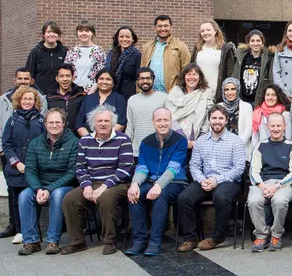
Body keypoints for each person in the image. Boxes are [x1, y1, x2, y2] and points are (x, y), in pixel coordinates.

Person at [60, 104, 132, 255]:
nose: (103, 124)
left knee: (106, 198)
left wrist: (104, 186)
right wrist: (86, 186)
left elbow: (125, 169)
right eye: (99, 121)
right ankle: (77, 242)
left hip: (117, 184)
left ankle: (109, 241)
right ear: (93, 123)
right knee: (70, 199)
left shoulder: (123, 139)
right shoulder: (85, 141)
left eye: (106, 121)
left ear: (112, 122)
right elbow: (80, 167)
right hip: (91, 183)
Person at [176, 106, 247, 252]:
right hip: (204, 179)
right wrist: (202, 180)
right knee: (184, 198)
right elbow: (194, 165)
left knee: (221, 196)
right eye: (214, 118)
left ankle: (218, 236)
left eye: (221, 118)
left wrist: (217, 180)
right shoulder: (201, 141)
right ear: (209, 120)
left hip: (228, 181)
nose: (217, 121)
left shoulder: (235, 141)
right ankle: (191, 238)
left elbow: (239, 168)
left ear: (226, 120)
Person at [125, 108, 188, 256]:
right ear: (153, 122)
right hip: (152, 180)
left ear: (170, 121)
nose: (162, 123)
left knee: (161, 196)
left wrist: (159, 185)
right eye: (159, 120)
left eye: (166, 120)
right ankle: (139, 241)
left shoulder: (180, 141)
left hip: (176, 182)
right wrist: (135, 184)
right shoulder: (146, 142)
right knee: (135, 195)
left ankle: (155, 242)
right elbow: (142, 167)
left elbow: (174, 168)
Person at [16, 109, 78, 255]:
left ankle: (53, 241)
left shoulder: (75, 142)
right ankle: (31, 241)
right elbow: (30, 170)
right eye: (51, 122)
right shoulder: (35, 143)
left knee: (56, 195)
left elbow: (72, 173)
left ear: (64, 123)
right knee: (24, 196)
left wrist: (49, 189)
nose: (54, 125)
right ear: (45, 124)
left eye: (58, 122)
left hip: (65, 186)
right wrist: (38, 189)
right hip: (40, 185)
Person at [248, 113, 292, 252]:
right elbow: (253, 171)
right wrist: (262, 185)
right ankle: (261, 235)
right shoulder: (260, 146)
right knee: (253, 200)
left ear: (284, 126)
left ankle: (276, 235)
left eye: (279, 125)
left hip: (284, 184)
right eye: (273, 126)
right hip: (263, 183)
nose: (276, 129)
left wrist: (277, 187)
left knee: (279, 200)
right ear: (267, 127)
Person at [2, 87, 46, 245]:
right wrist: (17, 162)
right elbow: (6, 144)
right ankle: (20, 230)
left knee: (34, 198)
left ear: (35, 102)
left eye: (31, 99)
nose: (28, 102)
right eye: (24, 99)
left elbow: (45, 143)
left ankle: (32, 229)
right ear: (19, 101)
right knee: (16, 199)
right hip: (16, 168)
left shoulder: (41, 120)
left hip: (36, 168)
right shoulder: (12, 120)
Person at [140, 15, 192, 94]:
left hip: (172, 94)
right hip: (150, 94)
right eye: (159, 26)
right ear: (155, 28)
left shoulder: (181, 46)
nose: (163, 29)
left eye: (166, 26)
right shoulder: (147, 47)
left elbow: (187, 71)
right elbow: (142, 71)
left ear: (171, 27)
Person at [165, 64, 213, 145]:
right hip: (176, 139)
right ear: (184, 77)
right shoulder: (175, 92)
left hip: (199, 141)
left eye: (194, 74)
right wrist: (182, 138)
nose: (191, 77)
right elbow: (169, 115)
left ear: (200, 77)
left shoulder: (205, 93)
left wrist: (201, 137)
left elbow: (209, 116)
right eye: (189, 74)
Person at [126, 68, 168, 156]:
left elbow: (169, 125)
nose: (145, 81)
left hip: (159, 150)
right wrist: (127, 148)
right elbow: (130, 127)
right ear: (137, 81)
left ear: (153, 80)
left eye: (148, 78)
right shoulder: (132, 100)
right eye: (141, 78)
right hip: (137, 151)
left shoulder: (164, 98)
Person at [190, 20, 235, 100]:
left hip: (218, 94)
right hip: (199, 93)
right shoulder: (197, 49)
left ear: (215, 31)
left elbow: (230, 73)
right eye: (202, 31)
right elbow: (191, 69)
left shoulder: (226, 49)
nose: (205, 33)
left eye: (208, 30)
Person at [76, 70, 127, 136]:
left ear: (113, 83)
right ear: (97, 81)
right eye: (101, 79)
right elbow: (79, 124)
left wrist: (105, 138)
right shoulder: (88, 98)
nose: (104, 82)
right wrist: (90, 139)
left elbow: (121, 123)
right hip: (89, 141)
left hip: (111, 140)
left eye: (108, 79)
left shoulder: (119, 98)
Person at [64, 20, 107, 94]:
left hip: (93, 93)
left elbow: (100, 74)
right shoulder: (71, 52)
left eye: (87, 31)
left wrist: (90, 93)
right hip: (73, 93)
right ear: (77, 33)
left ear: (92, 33)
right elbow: (67, 73)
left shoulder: (99, 51)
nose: (83, 33)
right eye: (80, 31)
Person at [231, 30, 273, 104]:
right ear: (249, 43)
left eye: (258, 41)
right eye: (252, 41)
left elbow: (271, 80)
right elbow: (235, 76)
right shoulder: (241, 57)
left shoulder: (268, 58)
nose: (255, 43)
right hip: (242, 99)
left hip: (259, 100)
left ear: (262, 43)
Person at [26, 21, 68, 95]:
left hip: (59, 95)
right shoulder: (36, 51)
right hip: (39, 94)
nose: (51, 34)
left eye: (54, 32)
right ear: (43, 34)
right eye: (48, 32)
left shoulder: (64, 51)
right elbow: (29, 73)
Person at [217, 77, 254, 157]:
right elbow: (213, 129)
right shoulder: (219, 107)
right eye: (226, 89)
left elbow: (249, 130)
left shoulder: (247, 106)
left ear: (237, 90)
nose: (230, 92)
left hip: (240, 150)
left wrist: (235, 146)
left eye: (233, 89)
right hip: (221, 151)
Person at [46, 64, 87, 133]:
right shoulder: (50, 97)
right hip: (56, 136)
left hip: (77, 137)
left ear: (73, 78)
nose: (65, 79)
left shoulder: (81, 95)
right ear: (57, 78)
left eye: (68, 76)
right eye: (61, 76)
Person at [107, 25, 142, 97]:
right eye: (122, 36)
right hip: (111, 92)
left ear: (133, 39)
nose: (124, 39)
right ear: (118, 38)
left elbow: (138, 77)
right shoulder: (111, 53)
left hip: (129, 94)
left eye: (127, 37)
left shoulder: (137, 55)